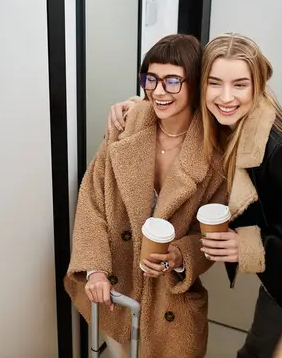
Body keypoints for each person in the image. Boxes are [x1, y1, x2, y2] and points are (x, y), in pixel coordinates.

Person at [106, 33, 282, 358]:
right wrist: (139, 107)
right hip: (280, 278)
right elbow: (175, 107)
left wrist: (248, 245)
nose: (225, 97)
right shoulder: (231, 127)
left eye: (239, 85)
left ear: (258, 85)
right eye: (214, 83)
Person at [64, 34, 263, 358]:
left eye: (172, 81)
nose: (158, 90)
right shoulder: (125, 128)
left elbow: (211, 235)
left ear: (195, 84)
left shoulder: (218, 154)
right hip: (115, 290)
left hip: (171, 300)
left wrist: (180, 255)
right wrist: (95, 269)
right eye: (151, 79)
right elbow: (92, 200)